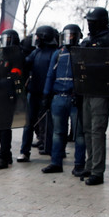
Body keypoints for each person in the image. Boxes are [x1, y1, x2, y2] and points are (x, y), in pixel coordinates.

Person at [78, 8, 109, 185]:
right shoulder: (88, 40)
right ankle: (90, 165)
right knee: (87, 129)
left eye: (93, 21)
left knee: (97, 130)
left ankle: (97, 170)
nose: (90, 24)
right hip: (87, 89)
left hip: (101, 91)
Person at [42, 24, 85, 175]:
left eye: (73, 35)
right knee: (58, 132)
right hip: (58, 97)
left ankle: (79, 164)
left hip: (75, 98)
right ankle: (56, 162)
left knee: (79, 134)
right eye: (68, 35)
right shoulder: (58, 53)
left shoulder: (82, 52)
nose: (70, 38)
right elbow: (50, 75)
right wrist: (46, 95)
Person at [16, 25, 59, 163]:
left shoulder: (49, 53)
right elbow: (26, 63)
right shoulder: (38, 52)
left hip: (44, 93)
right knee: (39, 124)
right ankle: (48, 152)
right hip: (37, 93)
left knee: (43, 124)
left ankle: (27, 151)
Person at [0, 29, 22, 170]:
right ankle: (5, 154)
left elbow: (14, 77)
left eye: (7, 39)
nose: (4, 42)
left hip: (9, 95)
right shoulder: (1, 55)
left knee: (4, 127)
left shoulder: (17, 55)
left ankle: (3, 157)